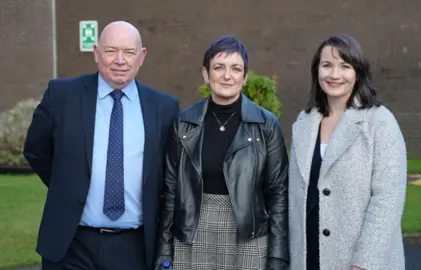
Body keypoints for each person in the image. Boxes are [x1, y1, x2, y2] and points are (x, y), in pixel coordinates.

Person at [23, 21, 180, 270]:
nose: (120, 60)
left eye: (129, 52)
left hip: (134, 248)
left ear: (142, 57)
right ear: (96, 53)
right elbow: (36, 150)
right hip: (70, 244)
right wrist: (68, 184)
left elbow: (170, 173)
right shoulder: (62, 95)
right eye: (111, 51)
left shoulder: (164, 108)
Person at [154, 35, 290, 270]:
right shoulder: (184, 123)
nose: (227, 75)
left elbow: (278, 193)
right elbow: (170, 191)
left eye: (236, 69)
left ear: (244, 77)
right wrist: (164, 251)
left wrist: (277, 256)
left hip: (248, 235)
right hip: (193, 231)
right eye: (219, 67)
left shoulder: (266, 125)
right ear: (206, 74)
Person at [288, 33, 407, 270]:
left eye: (344, 66)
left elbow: (388, 200)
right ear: (317, 71)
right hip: (308, 255)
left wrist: (364, 262)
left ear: (357, 73)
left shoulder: (380, 122)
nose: (334, 74)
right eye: (327, 65)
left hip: (360, 261)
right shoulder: (304, 122)